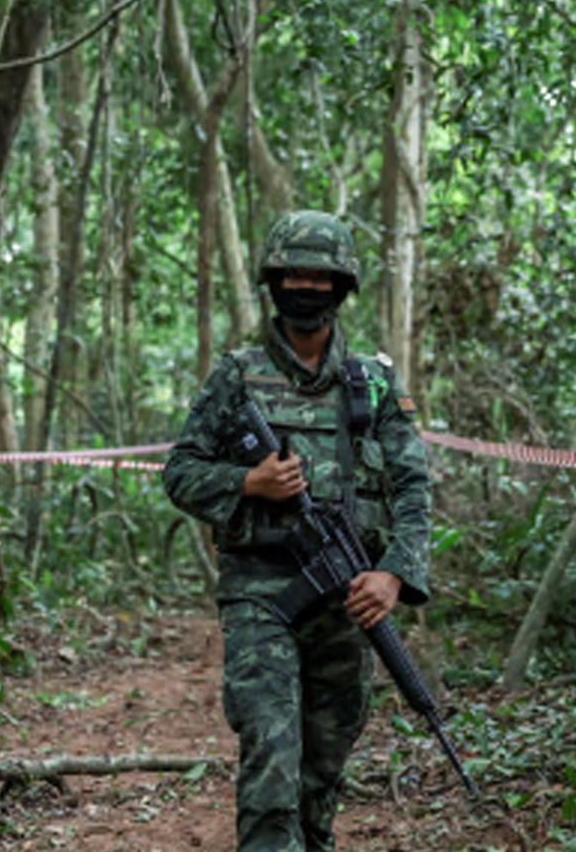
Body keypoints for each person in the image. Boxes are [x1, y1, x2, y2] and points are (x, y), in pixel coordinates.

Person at [164, 209, 433, 852]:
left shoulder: (371, 382)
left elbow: (414, 488)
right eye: (294, 276)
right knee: (271, 750)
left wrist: (394, 573)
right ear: (273, 283)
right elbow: (181, 473)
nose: (307, 289)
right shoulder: (238, 375)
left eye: (321, 278)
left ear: (342, 288)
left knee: (325, 759)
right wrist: (246, 484)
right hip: (262, 593)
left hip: (348, 596)